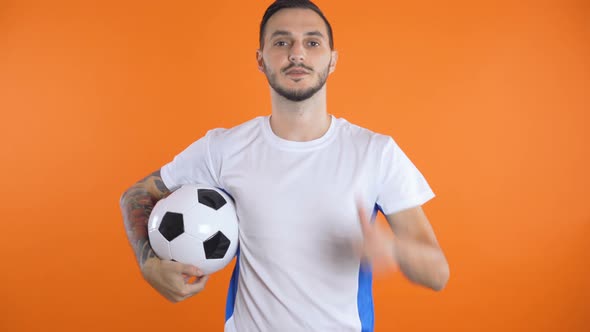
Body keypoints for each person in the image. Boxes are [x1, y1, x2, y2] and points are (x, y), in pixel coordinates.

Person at [120, 0, 450, 331]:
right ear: (260, 59)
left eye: (312, 42)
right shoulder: (223, 147)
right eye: (281, 42)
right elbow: (136, 195)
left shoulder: (375, 152)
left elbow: (438, 273)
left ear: (332, 60)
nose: (297, 54)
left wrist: (392, 250)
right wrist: (148, 263)